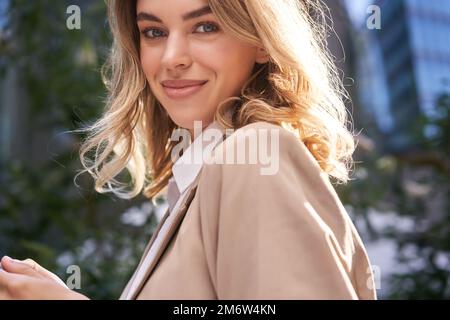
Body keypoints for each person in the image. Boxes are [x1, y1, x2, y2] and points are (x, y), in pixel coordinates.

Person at [0, 0, 377, 300]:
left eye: (205, 26)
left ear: (261, 40)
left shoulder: (254, 155)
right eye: (154, 32)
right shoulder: (203, 181)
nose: (171, 57)